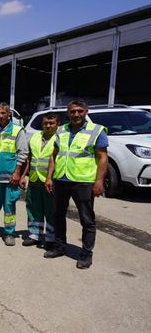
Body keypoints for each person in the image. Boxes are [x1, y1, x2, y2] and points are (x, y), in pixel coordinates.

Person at [44, 100, 108, 269]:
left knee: (87, 220)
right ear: (68, 113)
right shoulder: (62, 130)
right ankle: (59, 247)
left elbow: (103, 157)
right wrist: (49, 177)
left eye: (80, 111)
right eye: (73, 111)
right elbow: (54, 155)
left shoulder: (96, 131)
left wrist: (99, 181)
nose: (76, 114)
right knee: (58, 215)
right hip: (61, 180)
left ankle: (86, 254)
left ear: (86, 111)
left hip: (83, 182)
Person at [0, 102, 28, 246]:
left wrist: (17, 173)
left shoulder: (17, 130)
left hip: (10, 178)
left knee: (9, 207)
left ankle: (9, 233)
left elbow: (23, 153)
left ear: (9, 114)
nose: (1, 116)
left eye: (4, 113)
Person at [20, 112, 59, 248]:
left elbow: (54, 160)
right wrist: (24, 175)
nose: (48, 126)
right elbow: (29, 158)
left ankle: (50, 238)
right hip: (34, 179)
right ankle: (34, 235)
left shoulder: (59, 139)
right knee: (33, 208)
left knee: (50, 210)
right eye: (45, 123)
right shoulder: (35, 137)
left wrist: (50, 178)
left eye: (51, 123)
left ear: (57, 124)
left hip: (50, 182)